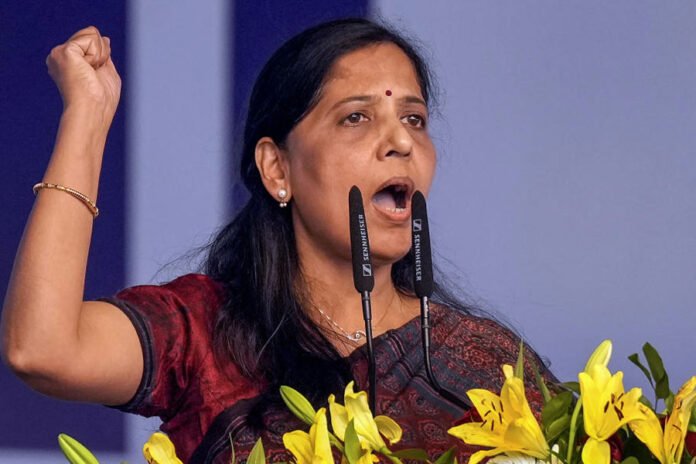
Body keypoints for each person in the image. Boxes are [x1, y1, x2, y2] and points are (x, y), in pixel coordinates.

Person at [1, 18, 551, 463]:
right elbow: (41, 349)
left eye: (414, 118)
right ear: (277, 168)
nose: (401, 142)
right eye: (356, 117)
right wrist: (88, 115)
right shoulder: (206, 335)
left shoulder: (486, 366)